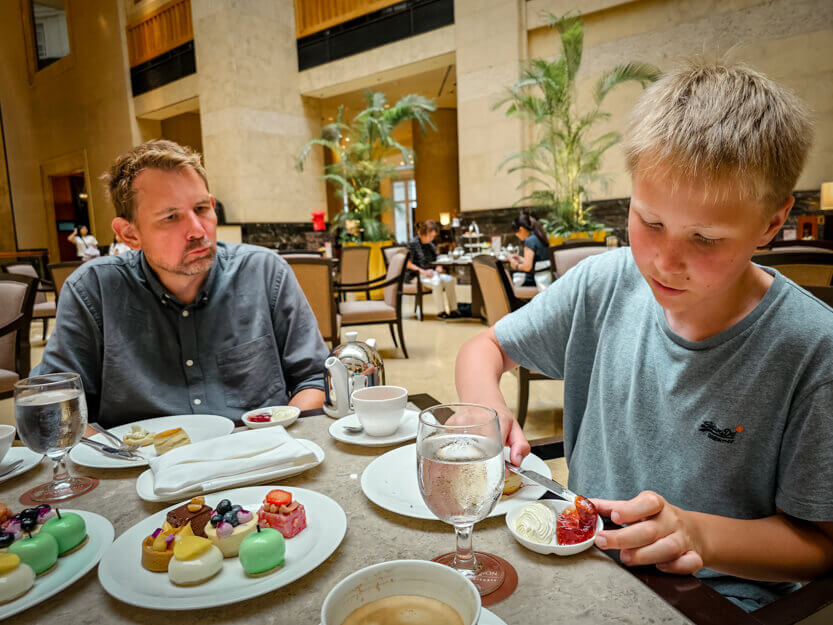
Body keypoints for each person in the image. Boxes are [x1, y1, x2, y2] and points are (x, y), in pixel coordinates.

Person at [454, 60, 833, 611]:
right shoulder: (603, 284)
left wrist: (698, 537)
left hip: (713, 598)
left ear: (772, 224)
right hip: (583, 563)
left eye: (704, 238)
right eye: (649, 222)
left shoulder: (811, 349)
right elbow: (484, 347)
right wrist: (482, 411)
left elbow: (820, 545)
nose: (664, 262)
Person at [33, 139, 328, 426]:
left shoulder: (263, 272)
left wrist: (278, 440)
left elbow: (314, 379)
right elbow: (53, 402)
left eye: (201, 209)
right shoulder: (93, 291)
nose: (197, 230)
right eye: (171, 217)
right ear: (129, 234)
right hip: (140, 468)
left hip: (258, 459)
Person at [405, 220, 459, 319]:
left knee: (450, 280)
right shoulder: (413, 244)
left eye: (433, 236)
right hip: (415, 276)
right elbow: (408, 264)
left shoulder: (430, 244)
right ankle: (441, 312)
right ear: (422, 234)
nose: (432, 238)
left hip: (431, 274)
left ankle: (453, 310)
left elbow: (436, 259)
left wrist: (439, 266)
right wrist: (423, 272)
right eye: (430, 236)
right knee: (437, 283)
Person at [507, 213, 549, 287]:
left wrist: (515, 264)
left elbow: (527, 267)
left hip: (534, 281)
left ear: (521, 229)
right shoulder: (539, 237)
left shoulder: (529, 241)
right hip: (545, 277)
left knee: (506, 281)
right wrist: (520, 259)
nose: (516, 235)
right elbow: (537, 262)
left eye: (516, 232)